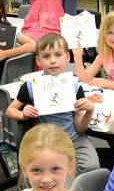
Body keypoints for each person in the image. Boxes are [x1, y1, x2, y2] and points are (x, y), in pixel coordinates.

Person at [6, 33, 99, 174]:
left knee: (90, 167)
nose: (53, 61)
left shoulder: (74, 87)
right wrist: (23, 114)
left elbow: (80, 127)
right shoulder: (31, 86)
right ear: (38, 60)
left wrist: (90, 111)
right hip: (44, 140)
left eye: (58, 55)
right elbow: (10, 111)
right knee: (44, 169)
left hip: (73, 139)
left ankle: (68, 188)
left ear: (67, 57)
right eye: (46, 56)